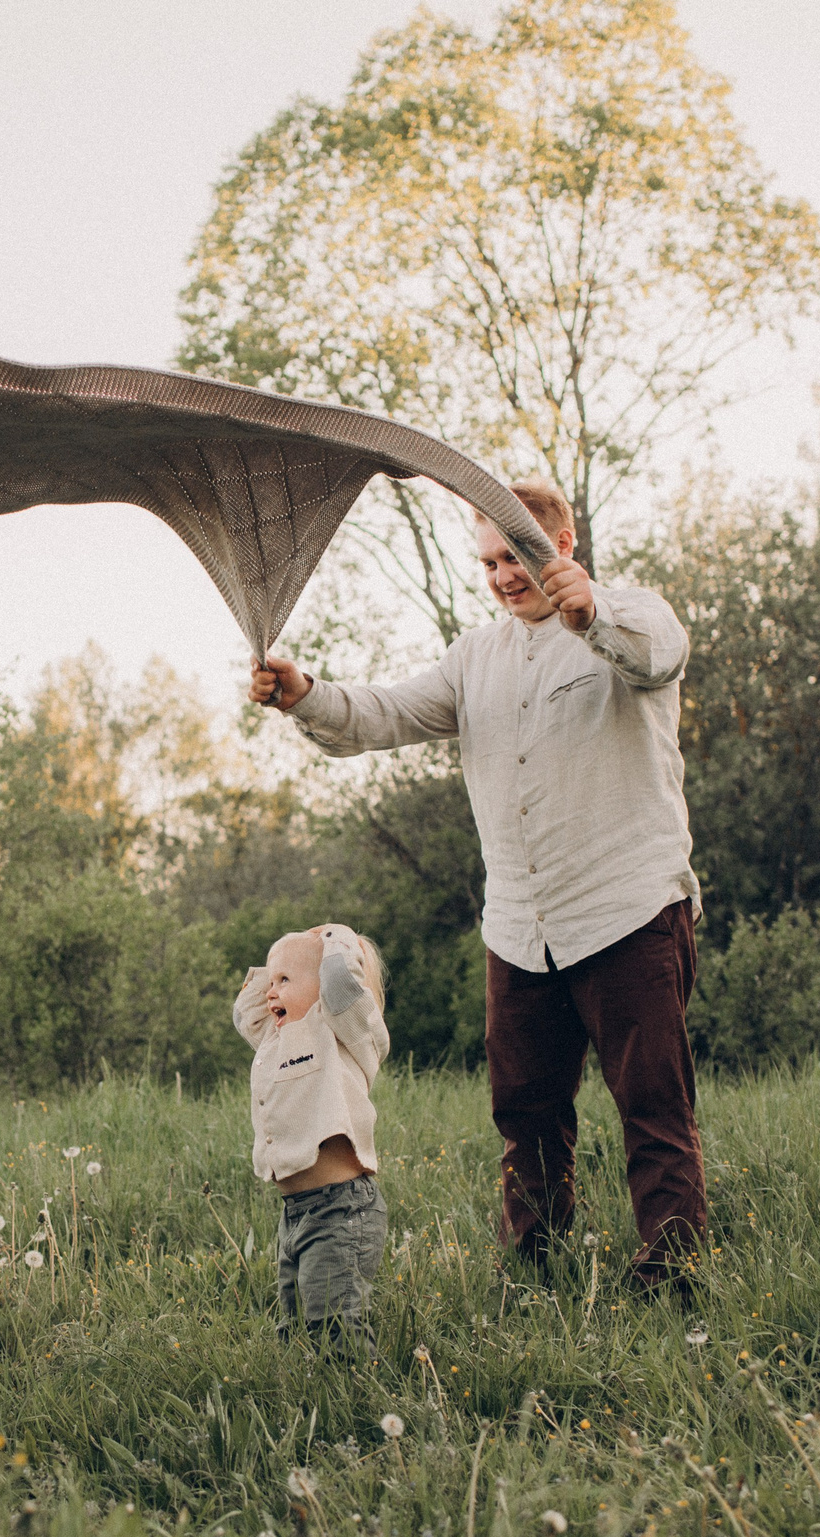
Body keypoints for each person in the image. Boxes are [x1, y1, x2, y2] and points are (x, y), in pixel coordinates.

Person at [247, 480, 707, 1290]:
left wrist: (590, 612)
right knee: (524, 1111)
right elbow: (385, 712)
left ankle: (673, 1267)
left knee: (652, 1104)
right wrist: (304, 694)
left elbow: (657, 655)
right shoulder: (475, 656)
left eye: (519, 554)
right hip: (520, 928)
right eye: (489, 559)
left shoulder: (635, 613)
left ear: (562, 545)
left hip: (628, 909)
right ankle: (536, 1261)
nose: (502, 574)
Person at [234, 925, 391, 1347]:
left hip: (341, 1209)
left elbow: (340, 984)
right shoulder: (274, 1039)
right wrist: (280, 961)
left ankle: (360, 1402)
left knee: (335, 1326)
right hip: (294, 1214)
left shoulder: (343, 1030)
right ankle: (310, 1406)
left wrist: (335, 938)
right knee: (295, 1331)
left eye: (285, 981)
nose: (271, 992)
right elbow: (242, 1012)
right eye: (271, 982)